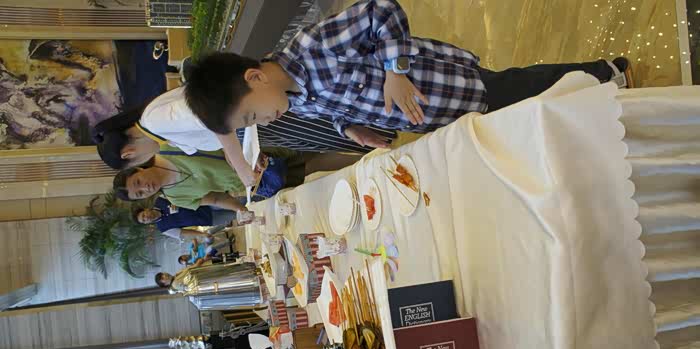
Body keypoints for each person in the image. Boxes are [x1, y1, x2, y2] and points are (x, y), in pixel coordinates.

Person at [184, 0, 633, 151]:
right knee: (522, 113)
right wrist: (349, 128)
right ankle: (596, 113)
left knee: (527, 86)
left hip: (448, 85)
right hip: (428, 115)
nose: (264, 122)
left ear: (254, 79)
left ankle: (607, 74)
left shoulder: (314, 47)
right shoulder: (292, 98)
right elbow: (334, 110)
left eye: (252, 117)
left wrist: (395, 72)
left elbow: (382, 10)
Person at [94, 87, 395, 172]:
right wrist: (241, 155)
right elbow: (216, 132)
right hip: (261, 125)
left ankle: (398, 119)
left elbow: (213, 114)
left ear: (129, 153)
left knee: (340, 127)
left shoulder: (154, 122)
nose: (146, 160)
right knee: (339, 134)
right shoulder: (156, 128)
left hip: (265, 117)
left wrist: (239, 164)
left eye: (138, 162)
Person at [112, 145, 248, 212]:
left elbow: (209, 135)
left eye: (138, 182)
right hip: (248, 183)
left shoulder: (166, 148)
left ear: (138, 169)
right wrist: (241, 210)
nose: (145, 188)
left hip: (247, 153)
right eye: (140, 193)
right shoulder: (176, 198)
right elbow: (216, 199)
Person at [133, 197, 234, 240]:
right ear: (146, 223)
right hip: (207, 218)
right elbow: (183, 233)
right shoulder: (163, 228)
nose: (146, 218)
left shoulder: (159, 200)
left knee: (238, 202)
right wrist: (202, 234)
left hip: (207, 202)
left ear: (146, 209)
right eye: (144, 220)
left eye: (143, 215)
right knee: (235, 215)